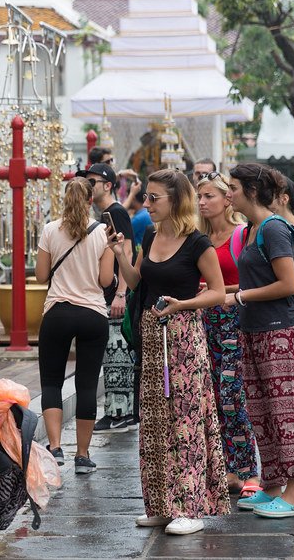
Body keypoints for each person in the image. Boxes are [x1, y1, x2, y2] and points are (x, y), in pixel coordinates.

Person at [108, 169, 230, 535]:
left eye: (154, 198)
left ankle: (190, 506)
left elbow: (219, 294)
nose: (147, 204)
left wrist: (183, 304)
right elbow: (136, 283)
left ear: (175, 201)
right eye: (146, 197)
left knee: (186, 419)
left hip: (183, 336)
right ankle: (161, 504)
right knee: (155, 421)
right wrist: (119, 254)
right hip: (151, 333)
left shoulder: (197, 243)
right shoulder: (149, 233)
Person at [225, 163, 294, 518]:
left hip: (281, 333)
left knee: (289, 414)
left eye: (232, 187)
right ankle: (273, 486)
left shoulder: (274, 228)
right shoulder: (251, 229)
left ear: (250, 190)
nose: (228, 193)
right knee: (262, 415)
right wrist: (229, 293)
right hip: (255, 332)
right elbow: (255, 283)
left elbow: (288, 285)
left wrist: (240, 297)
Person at [34, 177, 115, 473]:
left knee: (52, 382)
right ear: (91, 200)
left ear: (64, 199)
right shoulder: (104, 233)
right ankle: (83, 454)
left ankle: (55, 448)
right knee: (87, 384)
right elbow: (105, 281)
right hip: (92, 314)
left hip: (58, 312)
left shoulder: (50, 230)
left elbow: (42, 276)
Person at [196, 171, 261, 498]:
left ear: (226, 199)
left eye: (210, 196)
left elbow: (253, 282)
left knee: (233, 394)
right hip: (204, 322)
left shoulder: (240, 235)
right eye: (200, 196)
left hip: (234, 318)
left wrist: (217, 291)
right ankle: (227, 468)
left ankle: (249, 469)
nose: (203, 202)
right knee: (211, 396)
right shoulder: (198, 237)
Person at [79, 163, 140, 433]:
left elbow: (126, 253)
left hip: (116, 293)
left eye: (92, 182)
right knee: (112, 354)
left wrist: (120, 294)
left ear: (107, 185)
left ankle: (121, 413)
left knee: (118, 354)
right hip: (108, 292)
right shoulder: (105, 213)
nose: (88, 188)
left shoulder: (116, 212)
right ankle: (118, 412)